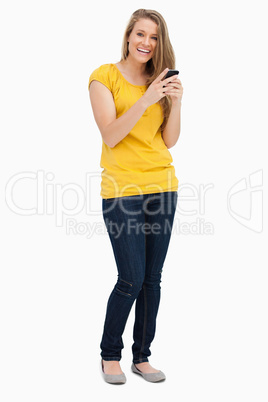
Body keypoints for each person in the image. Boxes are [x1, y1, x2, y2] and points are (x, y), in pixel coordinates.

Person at [88, 9, 183, 384]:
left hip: (163, 187)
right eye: (140, 34)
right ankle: (110, 354)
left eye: (154, 37)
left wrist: (175, 101)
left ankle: (142, 357)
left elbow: (170, 140)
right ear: (128, 36)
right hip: (122, 191)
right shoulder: (104, 77)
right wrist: (146, 99)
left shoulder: (159, 80)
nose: (147, 43)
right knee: (130, 277)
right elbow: (110, 135)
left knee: (152, 279)